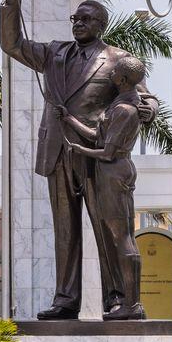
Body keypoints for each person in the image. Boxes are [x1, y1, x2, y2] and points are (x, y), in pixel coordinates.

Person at [0, 0, 157, 319]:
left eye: (85, 19)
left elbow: (144, 96)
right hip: (59, 151)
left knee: (107, 229)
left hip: (97, 156)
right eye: (75, 18)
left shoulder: (116, 59)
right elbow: (11, 43)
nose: (77, 23)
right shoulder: (55, 53)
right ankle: (65, 299)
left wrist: (147, 110)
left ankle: (117, 299)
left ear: (100, 25)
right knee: (65, 231)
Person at [61, 54, 146, 320]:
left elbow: (107, 151)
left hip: (113, 172)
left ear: (121, 79)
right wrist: (69, 119)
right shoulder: (120, 104)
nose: (109, 76)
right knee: (119, 236)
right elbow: (99, 135)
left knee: (122, 238)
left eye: (114, 73)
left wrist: (79, 150)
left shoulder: (124, 110)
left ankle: (132, 305)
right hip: (111, 171)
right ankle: (130, 304)